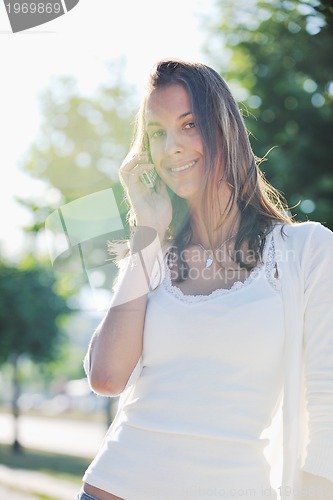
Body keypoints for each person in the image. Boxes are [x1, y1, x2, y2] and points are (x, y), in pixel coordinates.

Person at [76, 59, 333, 500]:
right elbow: (107, 377)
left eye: (189, 124)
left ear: (224, 130)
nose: (171, 146)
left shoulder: (305, 251)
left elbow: (327, 398)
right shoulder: (152, 253)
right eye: (157, 132)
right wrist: (148, 234)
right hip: (115, 487)